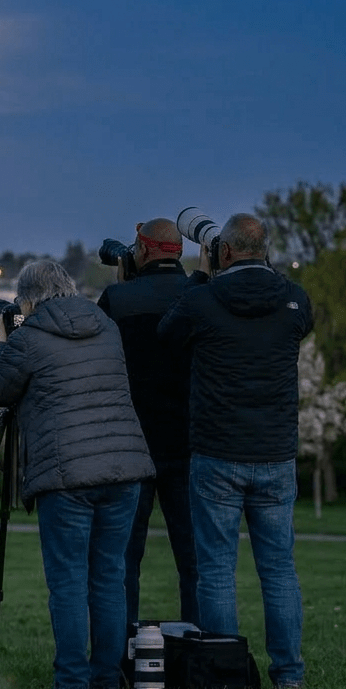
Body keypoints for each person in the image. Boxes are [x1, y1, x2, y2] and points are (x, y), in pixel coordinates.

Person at [0, 259, 154, 689]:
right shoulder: (106, 326)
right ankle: (107, 682)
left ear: (31, 300)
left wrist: (0, 340)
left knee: (69, 582)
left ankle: (72, 685)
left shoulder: (30, 338)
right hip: (125, 467)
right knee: (110, 579)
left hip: (66, 475)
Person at [159, 213, 312, 689]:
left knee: (217, 572)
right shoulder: (293, 300)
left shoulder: (203, 301)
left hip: (217, 452)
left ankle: (223, 676)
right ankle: (289, 676)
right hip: (275, 452)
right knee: (279, 571)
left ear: (224, 251)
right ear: (265, 250)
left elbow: (167, 335)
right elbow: (295, 321)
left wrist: (203, 274)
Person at [97, 218, 198, 627]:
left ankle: (120, 651)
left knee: (123, 561)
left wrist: (124, 281)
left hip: (131, 443)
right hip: (190, 443)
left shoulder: (118, 300)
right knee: (194, 561)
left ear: (141, 250)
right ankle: (202, 648)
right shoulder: (199, 296)